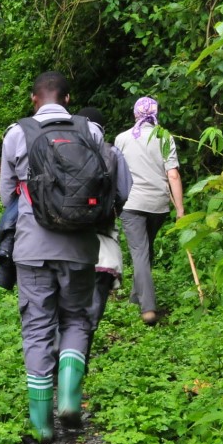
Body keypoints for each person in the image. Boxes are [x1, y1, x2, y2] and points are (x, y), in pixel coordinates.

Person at [0, 71, 113, 441]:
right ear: (68, 98)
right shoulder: (91, 132)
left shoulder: (18, 133)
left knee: (37, 327)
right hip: (80, 247)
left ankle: (42, 424)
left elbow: (7, 198)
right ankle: (68, 397)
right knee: (77, 319)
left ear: (34, 100)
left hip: (32, 248)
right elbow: (108, 185)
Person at [114, 96, 186, 325]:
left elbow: (114, 171)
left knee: (140, 252)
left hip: (131, 203)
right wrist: (180, 210)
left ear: (135, 114)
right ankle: (136, 297)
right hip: (158, 205)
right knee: (145, 250)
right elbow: (172, 174)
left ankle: (148, 308)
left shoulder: (122, 139)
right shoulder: (165, 137)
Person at [74, 107, 132, 356]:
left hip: (65, 238)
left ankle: (58, 358)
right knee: (96, 292)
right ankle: (81, 352)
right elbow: (124, 192)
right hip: (102, 237)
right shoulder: (112, 152)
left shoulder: (57, 147)